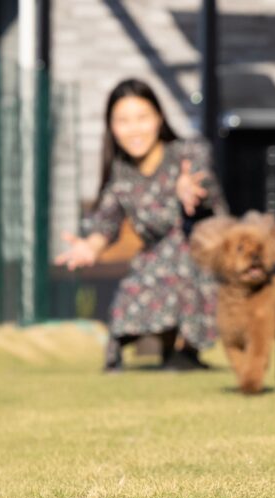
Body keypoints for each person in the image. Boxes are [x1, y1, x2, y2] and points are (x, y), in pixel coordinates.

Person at [54, 78, 227, 371]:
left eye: (142, 118)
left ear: (159, 118)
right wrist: (90, 248)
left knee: (179, 262)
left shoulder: (188, 153)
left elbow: (203, 184)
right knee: (130, 302)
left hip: (205, 253)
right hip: (155, 263)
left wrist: (189, 189)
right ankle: (152, 341)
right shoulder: (121, 176)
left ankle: (185, 346)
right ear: (111, 127)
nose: (134, 129)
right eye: (123, 121)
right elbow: (105, 224)